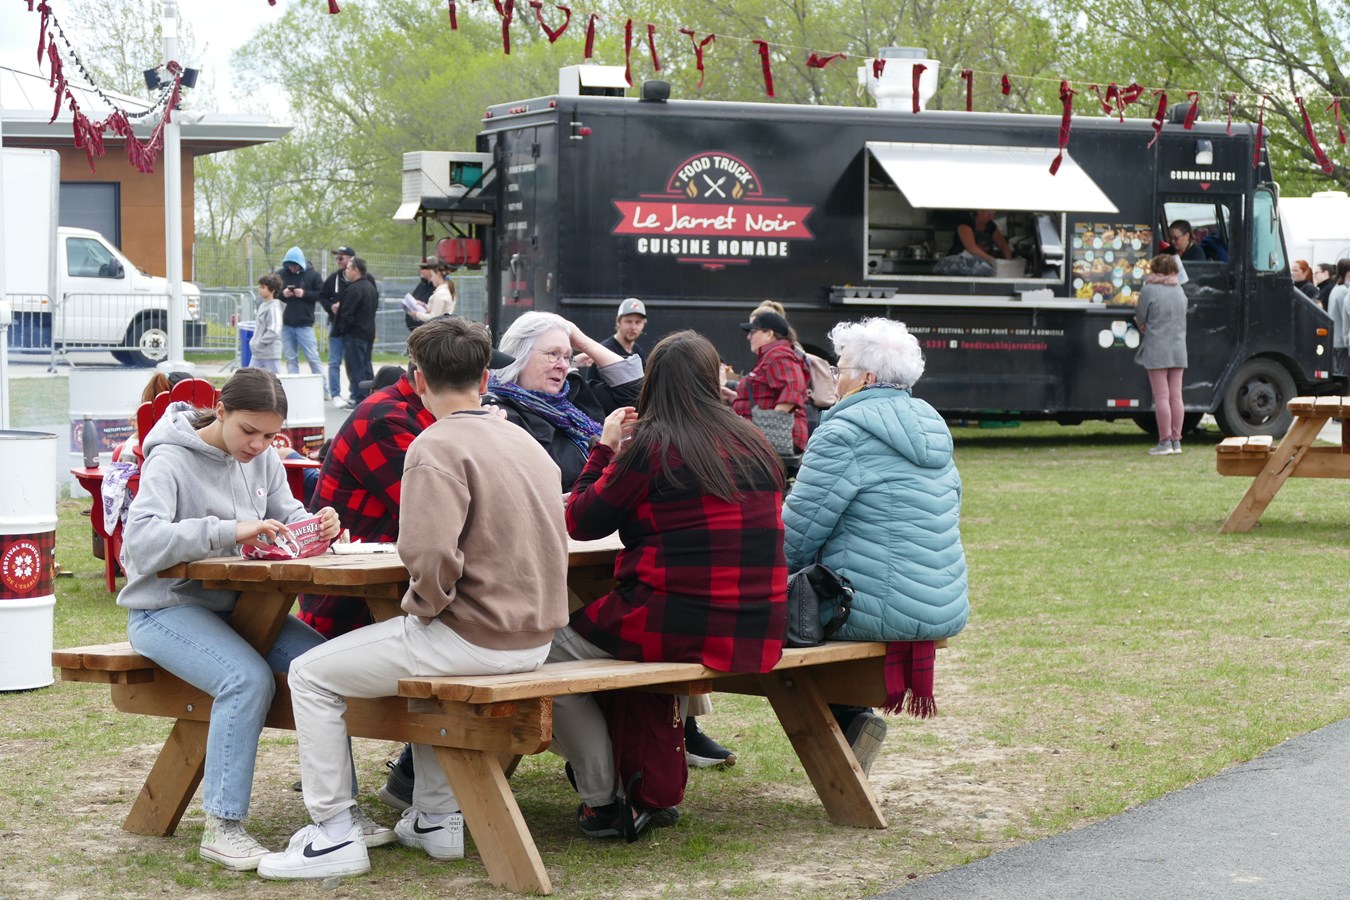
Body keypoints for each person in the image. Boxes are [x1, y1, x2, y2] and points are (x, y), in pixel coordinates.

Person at [256, 317, 568, 880]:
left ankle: (332, 832)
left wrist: (424, 607)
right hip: (537, 639)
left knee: (308, 674)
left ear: (417, 377)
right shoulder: (523, 439)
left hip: (473, 636)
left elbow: (428, 555)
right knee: (409, 663)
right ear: (486, 377)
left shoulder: (434, 444)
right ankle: (435, 817)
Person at [552, 330, 788, 838]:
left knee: (543, 660)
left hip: (673, 619)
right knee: (615, 652)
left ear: (652, 384)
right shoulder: (756, 441)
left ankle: (602, 799)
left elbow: (581, 520)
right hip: (757, 622)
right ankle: (632, 778)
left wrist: (604, 447)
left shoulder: (651, 447)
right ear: (712, 379)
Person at [116, 368, 351, 871]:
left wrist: (317, 523)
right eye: (249, 430)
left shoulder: (264, 458)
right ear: (220, 408)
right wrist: (229, 530)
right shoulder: (170, 458)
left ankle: (342, 816)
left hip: (242, 612)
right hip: (164, 609)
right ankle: (223, 827)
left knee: (326, 666)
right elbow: (141, 542)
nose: (259, 444)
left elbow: (287, 516)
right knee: (245, 680)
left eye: (271, 435)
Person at [782, 317, 969, 776]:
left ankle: (849, 719)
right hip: (939, 600)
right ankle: (849, 719)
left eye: (839, 366)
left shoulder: (842, 432)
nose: (832, 375)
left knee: (761, 622)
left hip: (866, 606)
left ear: (865, 378)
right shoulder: (931, 426)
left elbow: (796, 536)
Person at [487, 311, 643, 491]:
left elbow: (635, 392)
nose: (562, 365)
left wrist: (582, 341)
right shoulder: (500, 415)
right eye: (552, 354)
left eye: (567, 356)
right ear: (519, 355)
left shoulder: (574, 396)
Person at [732, 310, 809, 454]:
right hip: (765, 438)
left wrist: (771, 424)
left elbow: (793, 388)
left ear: (769, 334)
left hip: (775, 440)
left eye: (753, 332)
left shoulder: (778, 355)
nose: (749, 337)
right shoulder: (773, 355)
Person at [1135, 254, 1189, 455]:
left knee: (1162, 397)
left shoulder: (1149, 289)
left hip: (1157, 347)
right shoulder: (1179, 290)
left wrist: (1142, 325)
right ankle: (1176, 441)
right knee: (1176, 396)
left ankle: (1164, 441)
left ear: (1155, 270)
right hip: (1178, 348)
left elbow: (1141, 315)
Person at [333, 257, 379, 409]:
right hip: (368, 332)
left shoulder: (354, 289)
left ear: (356, 270)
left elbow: (347, 314)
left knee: (356, 367)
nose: (346, 271)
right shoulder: (371, 287)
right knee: (366, 366)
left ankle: (360, 399)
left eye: (348, 269)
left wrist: (341, 329)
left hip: (355, 334)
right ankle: (371, 396)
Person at [276, 247, 324, 377]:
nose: (292, 268)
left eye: (295, 266)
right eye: (290, 266)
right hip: (286, 324)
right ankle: (294, 386)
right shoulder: (281, 274)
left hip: (304, 324)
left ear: (300, 264)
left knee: (313, 357)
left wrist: (304, 293)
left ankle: (323, 388)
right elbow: (272, 292)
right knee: (290, 358)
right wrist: (283, 294)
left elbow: (321, 294)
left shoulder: (313, 275)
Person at [318, 246, 356, 402]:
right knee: (334, 361)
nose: (339, 261)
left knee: (352, 361)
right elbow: (322, 296)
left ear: (351, 259)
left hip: (352, 327)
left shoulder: (358, 279)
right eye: (337, 258)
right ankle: (335, 394)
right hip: (335, 325)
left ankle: (354, 394)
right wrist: (331, 306)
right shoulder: (333, 278)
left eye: (341, 258)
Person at [933, 210, 1012, 276]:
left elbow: (1003, 245)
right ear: (979, 211)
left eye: (993, 215)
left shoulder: (991, 226)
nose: (991, 217)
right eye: (988, 214)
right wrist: (993, 261)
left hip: (981, 269)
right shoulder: (965, 223)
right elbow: (972, 248)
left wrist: (1009, 262)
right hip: (960, 268)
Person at [249, 274, 284, 374]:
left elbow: (274, 329)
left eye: (263, 287)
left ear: (272, 290)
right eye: (259, 287)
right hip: (258, 353)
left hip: (270, 353)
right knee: (249, 378)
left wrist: (261, 343)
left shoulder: (274, 307)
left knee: (276, 381)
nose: (260, 289)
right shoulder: (263, 305)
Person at [409, 259, 456, 323]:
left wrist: (417, 314)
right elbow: (437, 311)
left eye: (433, 275)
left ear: (438, 274)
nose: (431, 279)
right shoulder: (446, 290)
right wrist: (423, 305)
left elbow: (434, 318)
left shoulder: (440, 294)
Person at [1327, 259, 1350, 376]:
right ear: (1347, 272)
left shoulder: (1336, 289)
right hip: (1342, 342)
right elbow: (1346, 317)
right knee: (1344, 376)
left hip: (1336, 340)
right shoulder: (1344, 291)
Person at [404, 258, 438, 331]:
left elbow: (435, 315)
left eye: (424, 268)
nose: (421, 270)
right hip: (416, 330)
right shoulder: (422, 285)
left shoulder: (438, 289)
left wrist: (418, 314)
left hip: (429, 331)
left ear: (432, 270)